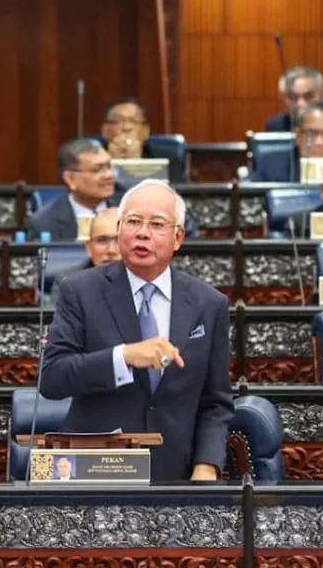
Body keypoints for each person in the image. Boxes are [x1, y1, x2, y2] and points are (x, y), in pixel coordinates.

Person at [40, 179, 234, 483]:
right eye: (133, 222)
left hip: (177, 472)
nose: (143, 232)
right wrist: (123, 357)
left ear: (178, 237)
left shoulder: (209, 304)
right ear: (120, 230)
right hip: (97, 470)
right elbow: (51, 378)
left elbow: (216, 402)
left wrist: (206, 465)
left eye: (157, 224)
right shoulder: (80, 291)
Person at [28, 138, 199, 240]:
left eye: (109, 167)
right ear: (70, 178)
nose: (109, 175)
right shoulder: (44, 223)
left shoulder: (133, 200)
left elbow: (186, 229)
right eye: (97, 170)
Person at [48, 209, 122, 305]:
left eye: (119, 240)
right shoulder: (68, 282)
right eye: (102, 240)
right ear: (89, 247)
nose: (111, 250)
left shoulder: (144, 280)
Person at [265, 66, 323, 132]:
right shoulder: (275, 125)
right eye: (293, 97)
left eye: (308, 96)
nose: (301, 104)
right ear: (283, 99)